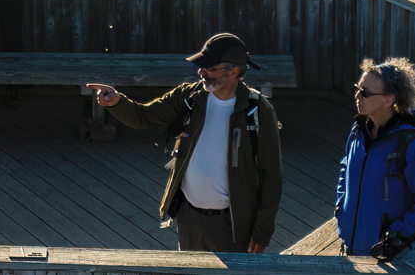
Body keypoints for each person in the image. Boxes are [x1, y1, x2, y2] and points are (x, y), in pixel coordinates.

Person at [90, 32, 284, 253]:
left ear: (234, 71)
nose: (201, 72)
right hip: (187, 218)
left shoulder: (259, 111)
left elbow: (272, 178)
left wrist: (262, 232)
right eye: (200, 65)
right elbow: (142, 117)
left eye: (210, 67)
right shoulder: (189, 96)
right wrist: (117, 102)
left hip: (232, 225)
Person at [336, 57, 415, 260]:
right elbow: (345, 168)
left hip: (384, 258)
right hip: (350, 248)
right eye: (357, 89)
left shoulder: (411, 146)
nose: (357, 96)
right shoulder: (359, 130)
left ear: (389, 100)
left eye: (365, 93)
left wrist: (396, 233)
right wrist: (341, 209)